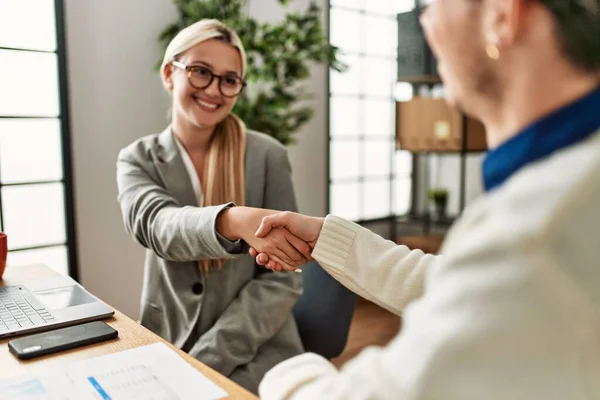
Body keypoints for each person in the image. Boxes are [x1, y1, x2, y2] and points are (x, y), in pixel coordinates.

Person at [252, 0, 600, 399]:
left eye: (433, 5)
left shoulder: (542, 226)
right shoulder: (572, 182)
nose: (425, 23)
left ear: (502, 16)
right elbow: (468, 285)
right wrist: (328, 239)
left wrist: (286, 366)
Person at [115, 19, 313, 393]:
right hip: (168, 343)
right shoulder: (137, 159)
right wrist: (231, 220)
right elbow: (157, 226)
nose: (214, 90)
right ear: (169, 73)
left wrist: (209, 358)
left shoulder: (267, 155)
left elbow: (284, 277)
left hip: (256, 352)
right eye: (200, 72)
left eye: (229, 79)